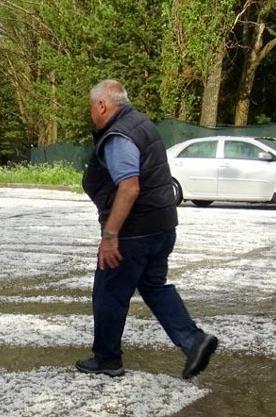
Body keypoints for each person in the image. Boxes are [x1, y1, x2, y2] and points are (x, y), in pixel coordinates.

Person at [76, 79, 218, 379]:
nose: (92, 115)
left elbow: (129, 187)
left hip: (134, 231)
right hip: (162, 225)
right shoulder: (141, 124)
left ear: (102, 105)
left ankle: (107, 359)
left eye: (92, 108)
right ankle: (193, 341)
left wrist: (111, 235)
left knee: (109, 292)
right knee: (154, 285)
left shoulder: (118, 135)